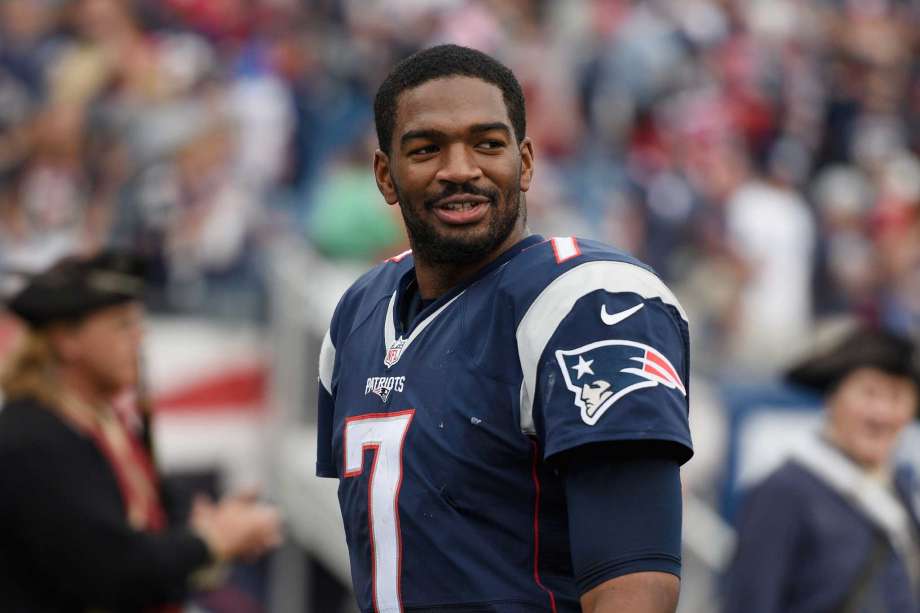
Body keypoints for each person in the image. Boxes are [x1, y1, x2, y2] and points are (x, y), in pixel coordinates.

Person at [316, 45, 693, 613]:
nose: (461, 169)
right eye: (426, 149)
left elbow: (633, 586)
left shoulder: (588, 302)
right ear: (385, 176)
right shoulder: (357, 314)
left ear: (527, 163)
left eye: (488, 144)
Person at [0, 251, 281, 611]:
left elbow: (157, 509)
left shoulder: (103, 420)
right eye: (122, 325)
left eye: (139, 323)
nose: (139, 337)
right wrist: (211, 541)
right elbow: (113, 571)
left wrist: (210, 524)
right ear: (66, 341)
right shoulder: (32, 439)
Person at [722, 324, 920, 613]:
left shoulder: (902, 491)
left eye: (896, 397)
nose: (882, 414)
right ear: (833, 398)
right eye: (870, 393)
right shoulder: (783, 492)